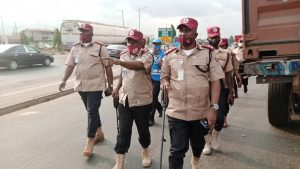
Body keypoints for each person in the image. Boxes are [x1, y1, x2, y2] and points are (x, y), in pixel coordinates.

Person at [160, 17, 224, 169]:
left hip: (200, 112)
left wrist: (213, 108)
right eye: (181, 30)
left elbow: (216, 81)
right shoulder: (170, 55)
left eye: (188, 30)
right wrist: (165, 83)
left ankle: (196, 159)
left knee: (198, 144)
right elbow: (164, 77)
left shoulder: (208, 54)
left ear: (195, 33)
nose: (184, 33)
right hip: (176, 111)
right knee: (177, 150)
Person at [58, 23, 113, 157]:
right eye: (81, 32)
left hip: (96, 85)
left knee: (92, 111)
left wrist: (110, 85)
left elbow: (108, 67)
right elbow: (70, 66)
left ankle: (90, 140)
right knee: (91, 111)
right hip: (81, 85)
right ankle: (99, 132)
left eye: (85, 32)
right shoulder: (75, 48)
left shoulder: (100, 48)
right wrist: (63, 80)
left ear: (91, 34)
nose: (82, 34)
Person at [103, 29, 153, 169]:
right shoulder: (124, 54)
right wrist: (116, 89)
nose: (130, 43)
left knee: (143, 130)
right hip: (125, 100)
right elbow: (123, 75)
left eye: (134, 41)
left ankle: (145, 151)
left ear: (141, 42)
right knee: (123, 130)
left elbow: (139, 66)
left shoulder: (147, 56)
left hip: (142, 101)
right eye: (129, 40)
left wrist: (119, 62)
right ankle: (120, 159)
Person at [202, 27, 234, 155]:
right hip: (204, 85)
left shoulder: (225, 54)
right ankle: (206, 141)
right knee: (204, 116)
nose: (214, 39)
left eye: (216, 37)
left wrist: (231, 92)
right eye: (211, 37)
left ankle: (215, 135)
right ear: (207, 38)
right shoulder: (201, 52)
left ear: (220, 38)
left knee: (219, 117)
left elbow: (228, 74)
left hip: (220, 86)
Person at [219, 38, 242, 127]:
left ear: (226, 45)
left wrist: (238, 75)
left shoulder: (229, 54)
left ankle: (224, 119)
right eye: (220, 45)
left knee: (225, 103)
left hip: (226, 82)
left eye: (223, 45)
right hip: (215, 83)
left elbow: (235, 66)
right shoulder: (213, 53)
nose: (222, 47)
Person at [149, 38, 165, 126]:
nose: (156, 45)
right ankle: (159, 108)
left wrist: (158, 56)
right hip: (150, 78)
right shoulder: (150, 53)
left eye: (158, 44)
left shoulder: (163, 54)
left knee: (153, 97)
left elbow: (163, 66)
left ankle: (151, 118)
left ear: (160, 45)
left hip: (158, 79)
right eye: (154, 43)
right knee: (152, 97)